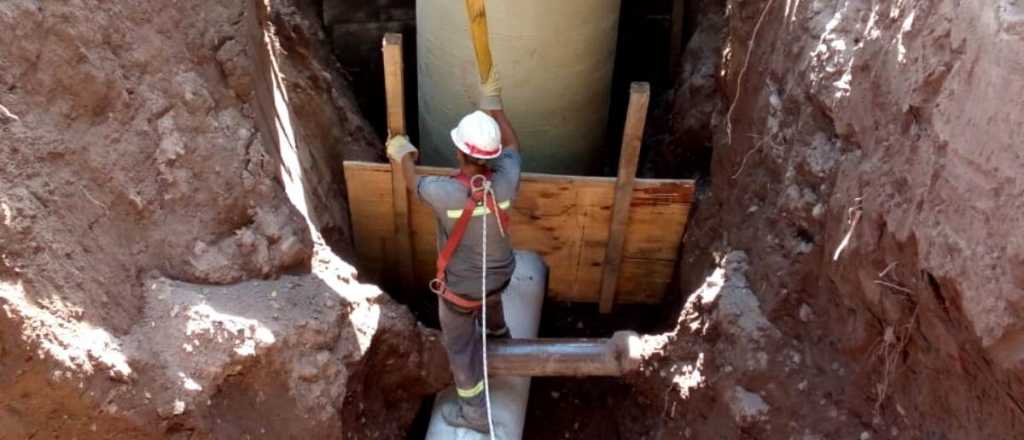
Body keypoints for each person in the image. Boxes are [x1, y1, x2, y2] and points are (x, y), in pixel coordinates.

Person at [385, 70, 520, 433]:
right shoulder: (506, 177)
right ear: (490, 156)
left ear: (458, 151)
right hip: (501, 276)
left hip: (460, 293)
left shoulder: (443, 192)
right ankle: (498, 333)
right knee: (489, 287)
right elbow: (512, 147)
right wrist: (496, 108)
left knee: (460, 348)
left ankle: (474, 412)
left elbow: (412, 181)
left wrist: (403, 153)